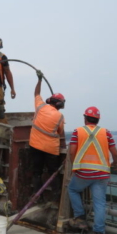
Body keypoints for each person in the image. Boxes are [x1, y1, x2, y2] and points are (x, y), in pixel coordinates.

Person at [67, 106, 117, 234]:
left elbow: (71, 151)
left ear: (85, 118)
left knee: (72, 189)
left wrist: (75, 166)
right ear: (98, 119)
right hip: (102, 173)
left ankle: (80, 218)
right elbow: (115, 153)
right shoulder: (106, 132)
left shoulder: (77, 132)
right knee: (99, 203)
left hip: (83, 172)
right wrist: (115, 163)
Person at [29, 70, 66, 199]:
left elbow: (36, 93)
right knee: (53, 173)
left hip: (35, 146)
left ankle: (38, 196)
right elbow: (60, 133)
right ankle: (56, 197)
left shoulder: (40, 107)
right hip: (51, 149)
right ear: (60, 104)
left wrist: (39, 80)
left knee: (37, 172)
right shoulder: (59, 116)